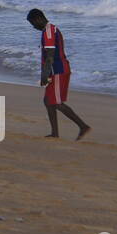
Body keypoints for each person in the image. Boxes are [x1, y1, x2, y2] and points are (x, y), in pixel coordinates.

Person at [26, 9, 91, 140]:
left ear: (38, 19)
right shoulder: (48, 30)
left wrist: (44, 75)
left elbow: (50, 55)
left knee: (55, 102)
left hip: (58, 71)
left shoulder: (49, 31)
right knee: (48, 101)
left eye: (32, 23)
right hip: (55, 71)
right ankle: (55, 133)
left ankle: (83, 126)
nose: (33, 27)